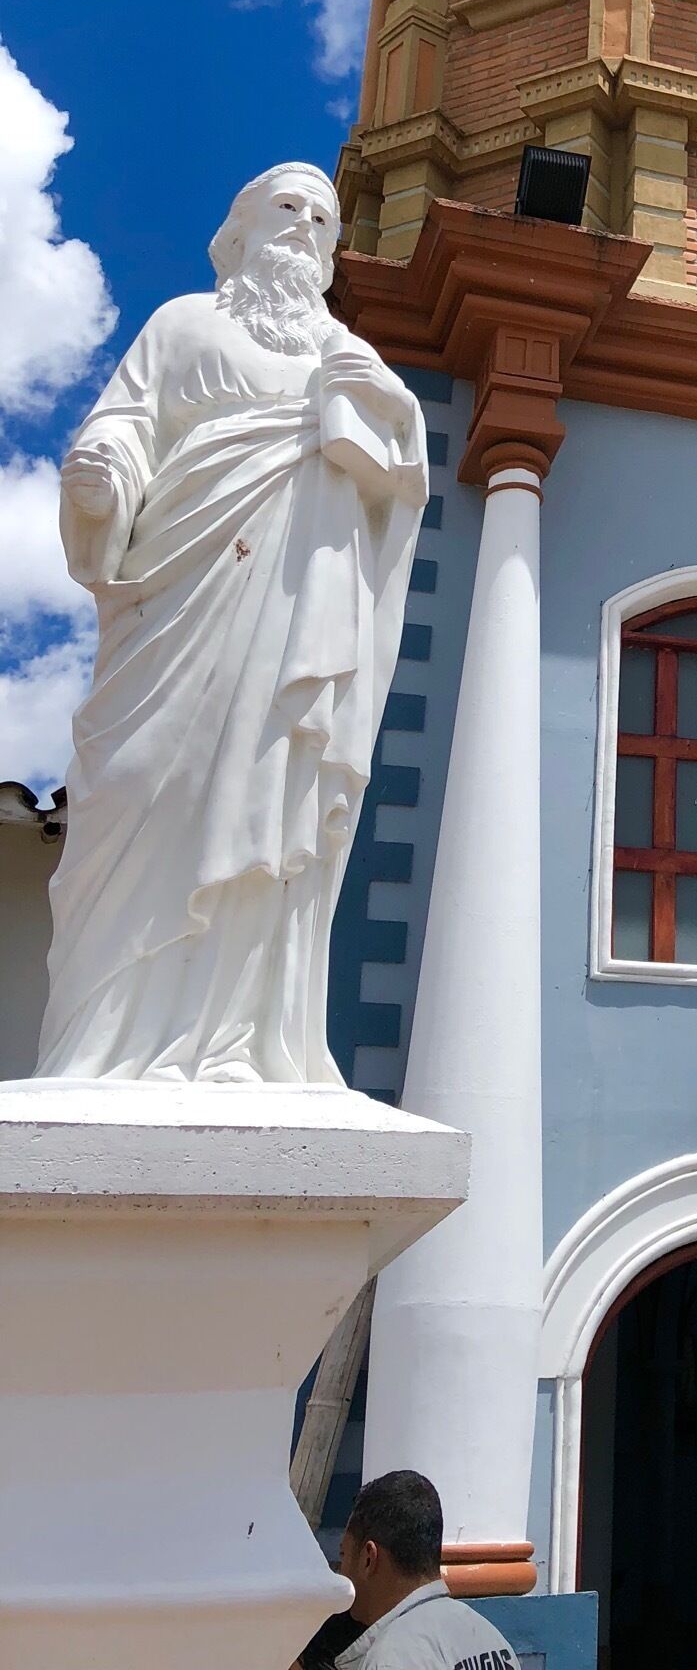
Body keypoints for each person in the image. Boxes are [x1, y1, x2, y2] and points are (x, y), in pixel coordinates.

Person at [37, 161, 427, 1083]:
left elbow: (401, 470)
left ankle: (241, 1044)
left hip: (298, 609)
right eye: (286, 209)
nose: (302, 227)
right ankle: (103, 1044)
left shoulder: (347, 356)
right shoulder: (183, 324)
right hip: (178, 592)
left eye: (321, 220)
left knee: (272, 798)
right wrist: (103, 471)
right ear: (243, 228)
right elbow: (128, 422)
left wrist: (372, 417)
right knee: (136, 787)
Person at [332, 1470, 519, 1669]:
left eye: (343, 1555)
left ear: (369, 1558)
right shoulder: (492, 1641)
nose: (340, 1573)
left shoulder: (391, 1657)